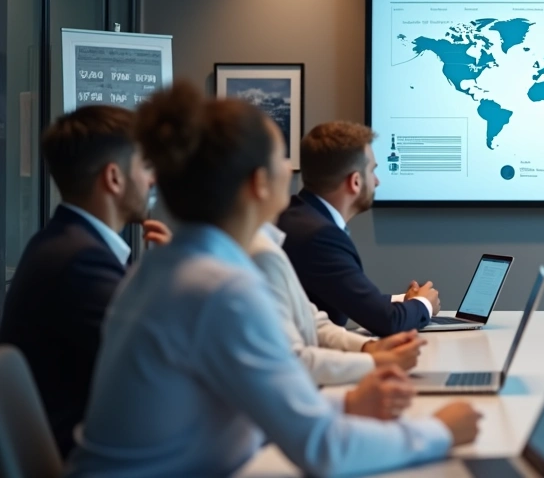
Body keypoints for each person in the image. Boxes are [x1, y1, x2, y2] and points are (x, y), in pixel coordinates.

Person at [67, 83, 481, 477]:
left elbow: (257, 414)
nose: (291, 168)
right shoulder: (221, 289)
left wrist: (346, 407)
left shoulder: (168, 267)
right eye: (281, 156)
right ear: (258, 182)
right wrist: (441, 431)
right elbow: (322, 449)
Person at [0, 105, 168, 457]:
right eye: (145, 167)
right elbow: (159, 366)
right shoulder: (80, 262)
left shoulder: (61, 242)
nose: (152, 180)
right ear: (114, 178)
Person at [278, 121, 440, 336]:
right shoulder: (319, 236)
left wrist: (404, 300)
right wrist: (424, 304)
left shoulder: (300, 216)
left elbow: (349, 298)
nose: (377, 181)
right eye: (372, 171)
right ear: (355, 181)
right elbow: (387, 322)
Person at [249, 222, 426, 386]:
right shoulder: (262, 253)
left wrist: (370, 347)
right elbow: (293, 362)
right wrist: (377, 362)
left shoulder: (268, 242)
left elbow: (312, 322)